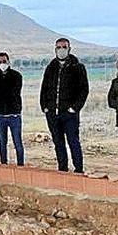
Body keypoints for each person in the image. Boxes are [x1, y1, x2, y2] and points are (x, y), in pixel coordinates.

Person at [39, 38, 89, 173]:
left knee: (73, 141)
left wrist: (75, 108)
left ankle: (78, 169)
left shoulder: (77, 67)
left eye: (64, 47)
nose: (61, 50)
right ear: (55, 49)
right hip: (53, 113)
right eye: (58, 47)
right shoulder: (51, 67)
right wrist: (45, 106)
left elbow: (84, 90)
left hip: (69, 113)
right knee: (58, 142)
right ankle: (62, 169)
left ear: (69, 48)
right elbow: (44, 88)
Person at [0, 52, 24, 166]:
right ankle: (4, 164)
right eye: (0, 62)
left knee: (17, 142)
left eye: (4, 61)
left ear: (8, 61)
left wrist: (0, 93)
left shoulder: (16, 76)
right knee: (2, 142)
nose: (2, 64)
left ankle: (20, 165)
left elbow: (14, 92)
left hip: (14, 115)